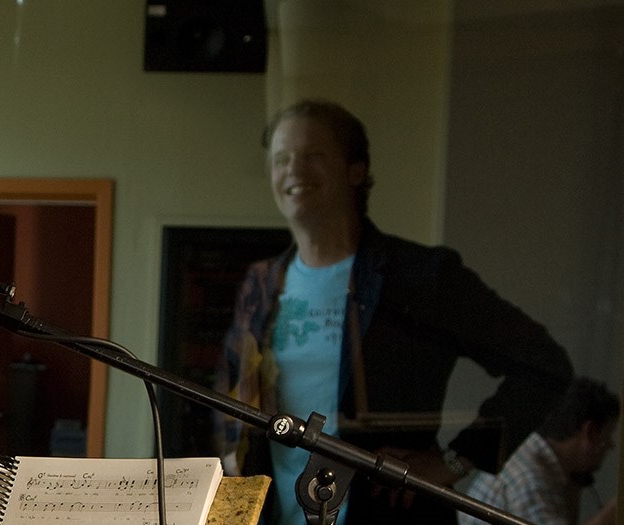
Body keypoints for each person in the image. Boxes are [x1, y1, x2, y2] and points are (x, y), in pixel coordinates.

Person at [213, 99, 575, 525]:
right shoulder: (261, 285)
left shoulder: (423, 276)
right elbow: (232, 412)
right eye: (281, 159)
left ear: (356, 171)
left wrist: (456, 462)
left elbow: (543, 364)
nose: (293, 170)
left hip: (389, 516)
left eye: (313, 155)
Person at [460, 377, 619, 525]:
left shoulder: (532, 455)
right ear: (590, 432)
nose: (611, 446)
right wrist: (613, 511)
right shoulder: (531, 478)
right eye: (608, 436)